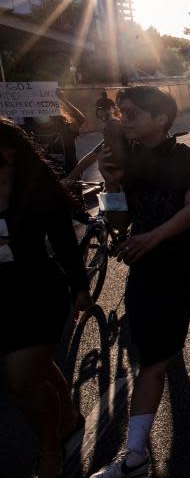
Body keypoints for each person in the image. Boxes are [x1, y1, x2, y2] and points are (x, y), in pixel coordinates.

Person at [89, 87, 190, 478]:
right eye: (121, 112)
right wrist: (110, 183)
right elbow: (122, 224)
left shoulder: (188, 158)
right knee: (153, 360)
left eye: (133, 112)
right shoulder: (126, 162)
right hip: (153, 272)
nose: (124, 118)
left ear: (160, 118)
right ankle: (135, 456)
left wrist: (150, 237)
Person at [0, 119, 93, 478]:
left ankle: (50, 447)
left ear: (8, 150)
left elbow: (64, 242)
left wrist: (80, 286)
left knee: (20, 382)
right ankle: (69, 419)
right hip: (1, 297)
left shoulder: (35, 187)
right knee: (33, 368)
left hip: (37, 291)